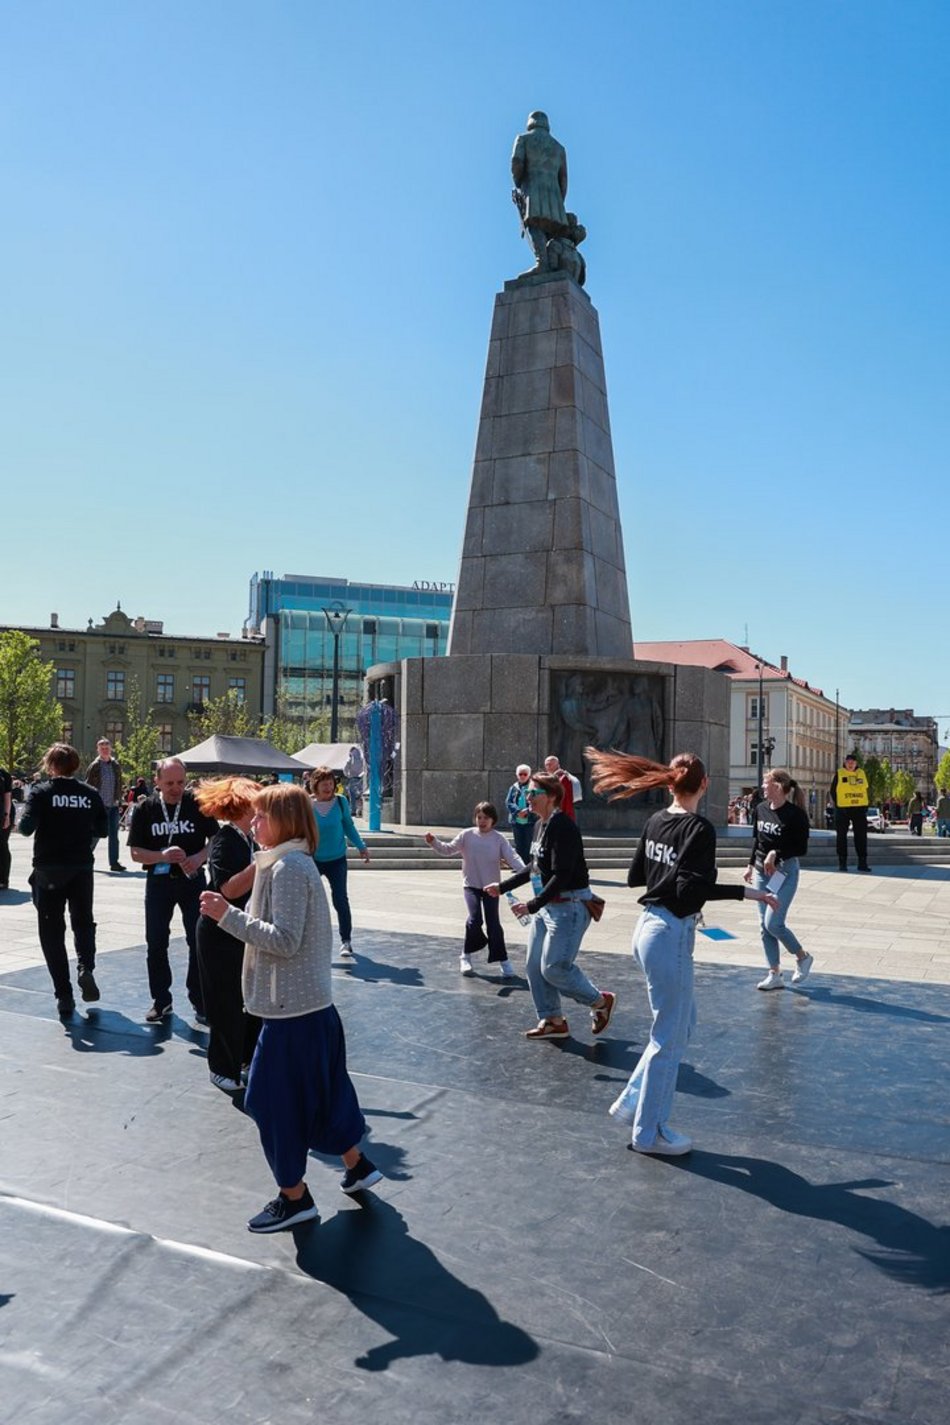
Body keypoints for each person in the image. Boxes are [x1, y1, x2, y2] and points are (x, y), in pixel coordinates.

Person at [199, 783, 383, 1233]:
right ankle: (357, 1165)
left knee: (266, 1101)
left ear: (283, 821)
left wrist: (227, 915)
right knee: (323, 1094)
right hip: (311, 1008)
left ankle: (293, 1196)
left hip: (291, 1013)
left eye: (261, 816)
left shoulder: (287, 870)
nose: (253, 822)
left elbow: (284, 940)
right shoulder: (292, 864)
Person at [586, 748, 778, 1156]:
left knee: (682, 1023)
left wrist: (670, 870)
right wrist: (745, 892)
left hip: (648, 930)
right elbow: (691, 891)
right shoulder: (699, 829)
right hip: (670, 932)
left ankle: (633, 1101)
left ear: (672, 783)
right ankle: (649, 1132)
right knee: (668, 1037)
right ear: (704, 785)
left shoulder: (655, 820)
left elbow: (636, 875)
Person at [486, 772, 615, 1040]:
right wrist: (503, 887)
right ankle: (552, 1019)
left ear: (552, 797)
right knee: (534, 967)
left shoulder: (563, 827)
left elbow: (562, 875)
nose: (528, 798)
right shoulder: (540, 825)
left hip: (569, 906)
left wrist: (531, 905)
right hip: (548, 906)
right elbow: (535, 868)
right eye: (527, 794)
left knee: (554, 967)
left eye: (534, 794)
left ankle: (600, 1001)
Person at [18, 743, 108, 1016]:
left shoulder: (42, 792)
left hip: (49, 870)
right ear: (76, 766)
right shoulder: (89, 794)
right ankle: (85, 967)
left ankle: (64, 995)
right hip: (81, 867)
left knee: (52, 933)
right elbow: (103, 830)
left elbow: (25, 828)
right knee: (83, 922)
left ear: (50, 765)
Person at [127, 757, 218, 1022]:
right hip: (159, 882)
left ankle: (199, 999)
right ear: (157, 782)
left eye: (180, 782)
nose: (176, 788)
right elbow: (135, 853)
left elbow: (215, 839)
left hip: (192, 881)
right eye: (169, 784)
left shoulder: (197, 805)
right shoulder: (146, 809)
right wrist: (162, 856)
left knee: (197, 940)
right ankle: (161, 1000)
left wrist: (200, 857)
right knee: (156, 942)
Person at [194, 777, 262, 1093]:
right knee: (225, 1002)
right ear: (242, 808)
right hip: (219, 933)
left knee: (246, 1001)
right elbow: (227, 888)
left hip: (239, 928)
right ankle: (222, 1067)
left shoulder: (249, 840)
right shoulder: (225, 840)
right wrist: (263, 864)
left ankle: (245, 1060)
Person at [424, 803, 525, 977]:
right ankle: (466, 955)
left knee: (493, 924)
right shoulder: (467, 835)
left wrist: (526, 871)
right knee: (474, 919)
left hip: (492, 888)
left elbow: (512, 857)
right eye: (479, 817)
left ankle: (504, 961)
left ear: (493, 819)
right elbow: (448, 849)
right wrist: (434, 842)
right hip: (471, 885)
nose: (482, 821)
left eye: (486, 817)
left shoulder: (498, 838)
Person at [744, 769, 813, 991]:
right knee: (764, 927)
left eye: (766, 783)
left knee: (773, 923)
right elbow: (758, 840)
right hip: (762, 873)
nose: (762, 787)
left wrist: (777, 853)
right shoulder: (761, 809)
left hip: (784, 872)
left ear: (778, 786)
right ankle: (774, 974)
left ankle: (802, 957)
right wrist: (749, 864)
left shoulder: (795, 815)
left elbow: (801, 848)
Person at [308, 766, 370, 958]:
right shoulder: (307, 805)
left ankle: (346, 941)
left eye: (331, 783)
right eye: (323, 784)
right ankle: (308, 940)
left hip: (336, 860)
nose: (328, 787)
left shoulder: (341, 802)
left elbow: (349, 827)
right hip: (314, 859)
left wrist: (361, 846)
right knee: (309, 900)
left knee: (340, 899)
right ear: (315, 786)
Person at [511, 110, 569, 275]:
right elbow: (563, 179)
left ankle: (542, 263)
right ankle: (550, 264)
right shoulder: (559, 148)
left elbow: (516, 162)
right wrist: (560, 200)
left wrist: (519, 181)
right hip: (554, 195)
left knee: (534, 225)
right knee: (549, 230)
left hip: (533, 187)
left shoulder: (523, 139)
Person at [85, 737, 126, 871]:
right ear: (98, 750)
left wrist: (119, 800)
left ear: (110, 749)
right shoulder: (95, 766)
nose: (105, 750)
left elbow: (119, 784)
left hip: (113, 804)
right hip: (99, 806)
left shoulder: (116, 765)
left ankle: (114, 863)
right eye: (102, 748)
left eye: (107, 748)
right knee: (96, 834)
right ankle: (85, 858)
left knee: (114, 835)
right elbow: (88, 785)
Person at [831, 753, 871, 872]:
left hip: (858, 809)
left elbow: (865, 790)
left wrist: (865, 806)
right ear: (845, 762)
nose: (850, 765)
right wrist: (838, 805)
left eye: (852, 763)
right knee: (841, 837)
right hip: (843, 809)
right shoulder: (840, 773)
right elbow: (833, 790)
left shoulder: (861, 773)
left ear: (856, 764)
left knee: (861, 837)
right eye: (848, 762)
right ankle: (842, 863)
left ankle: (862, 863)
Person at [505, 764, 537, 862]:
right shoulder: (513, 787)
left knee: (528, 843)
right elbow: (508, 802)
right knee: (518, 844)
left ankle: (528, 864)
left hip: (529, 820)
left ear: (529, 775)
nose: (522, 776)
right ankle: (519, 864)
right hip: (516, 820)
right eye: (520, 774)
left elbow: (536, 801)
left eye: (525, 774)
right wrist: (518, 811)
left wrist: (527, 811)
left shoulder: (533, 787)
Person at [543, 755, 576, 820]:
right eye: (547, 765)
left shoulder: (563, 778)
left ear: (558, 765)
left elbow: (562, 798)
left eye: (551, 764)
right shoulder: (549, 776)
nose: (548, 767)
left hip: (563, 813)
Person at [0, 762, 13, 890]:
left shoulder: (4, 775)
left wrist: (7, 816)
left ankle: (3, 879)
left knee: (2, 845)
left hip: (3, 813)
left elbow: (7, 797)